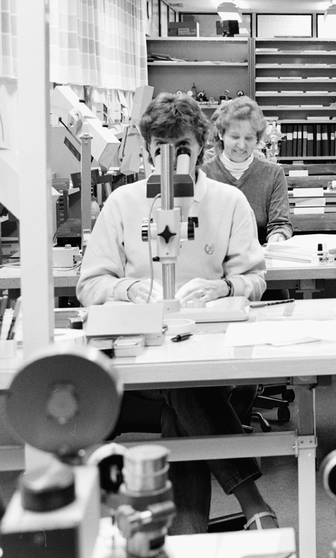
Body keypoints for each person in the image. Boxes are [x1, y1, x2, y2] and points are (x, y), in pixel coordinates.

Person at [78, 93, 278, 533]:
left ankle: (190, 541)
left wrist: (223, 286)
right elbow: (89, 285)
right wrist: (127, 288)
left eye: (181, 148)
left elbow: (254, 278)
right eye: (160, 149)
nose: (169, 161)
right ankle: (253, 505)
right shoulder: (123, 203)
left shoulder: (228, 202)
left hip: (209, 356)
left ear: (202, 146)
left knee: (183, 394)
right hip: (143, 361)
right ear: (147, 150)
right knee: (181, 394)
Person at [202, 97, 292, 246]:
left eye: (249, 138)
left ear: (257, 139)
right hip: (214, 256)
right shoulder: (203, 174)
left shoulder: (273, 174)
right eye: (235, 137)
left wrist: (278, 236)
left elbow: (280, 224)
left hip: (260, 255)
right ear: (221, 134)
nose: (242, 145)